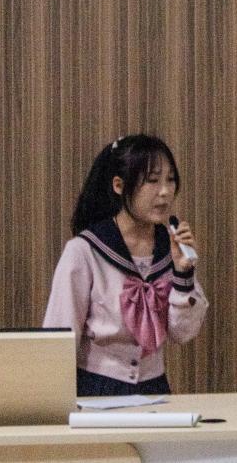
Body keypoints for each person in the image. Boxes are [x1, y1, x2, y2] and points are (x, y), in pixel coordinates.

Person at [44, 134, 208, 397]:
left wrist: (183, 273)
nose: (165, 191)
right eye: (152, 180)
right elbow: (58, 339)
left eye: (170, 179)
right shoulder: (84, 250)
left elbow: (183, 334)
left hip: (155, 389)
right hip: (96, 389)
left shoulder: (171, 247)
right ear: (119, 185)